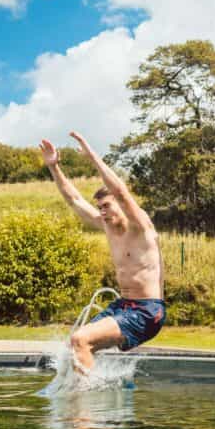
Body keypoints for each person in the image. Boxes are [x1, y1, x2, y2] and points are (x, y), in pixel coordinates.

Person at [39, 131, 165, 372]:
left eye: (106, 206)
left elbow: (120, 192)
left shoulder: (141, 227)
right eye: (100, 208)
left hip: (148, 311)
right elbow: (74, 199)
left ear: (121, 206)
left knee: (80, 339)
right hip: (125, 305)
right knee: (74, 346)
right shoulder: (106, 226)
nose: (102, 212)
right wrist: (54, 167)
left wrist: (92, 156)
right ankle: (99, 391)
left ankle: (84, 404)